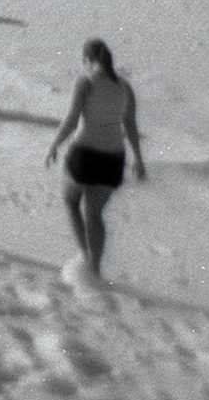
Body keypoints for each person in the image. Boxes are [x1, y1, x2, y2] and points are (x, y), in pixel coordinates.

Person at [45, 38, 147, 278]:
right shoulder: (125, 87)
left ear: (87, 60)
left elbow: (72, 119)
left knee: (71, 201)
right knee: (94, 214)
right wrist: (138, 159)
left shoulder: (86, 81)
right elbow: (131, 125)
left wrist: (54, 145)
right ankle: (95, 270)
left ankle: (84, 256)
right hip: (113, 159)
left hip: (84, 153)